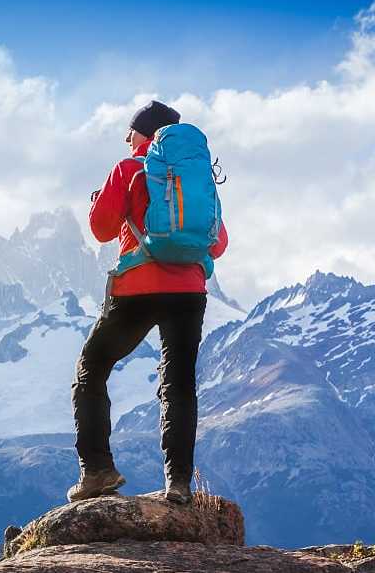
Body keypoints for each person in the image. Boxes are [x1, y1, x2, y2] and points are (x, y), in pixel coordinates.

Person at [68, 100, 228, 505]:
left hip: (137, 288)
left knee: (92, 368)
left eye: (131, 131)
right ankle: (179, 484)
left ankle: (98, 472)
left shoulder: (129, 169)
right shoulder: (197, 177)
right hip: (190, 291)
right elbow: (219, 244)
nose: (126, 138)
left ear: (146, 133)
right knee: (179, 383)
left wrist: (105, 203)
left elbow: (101, 229)